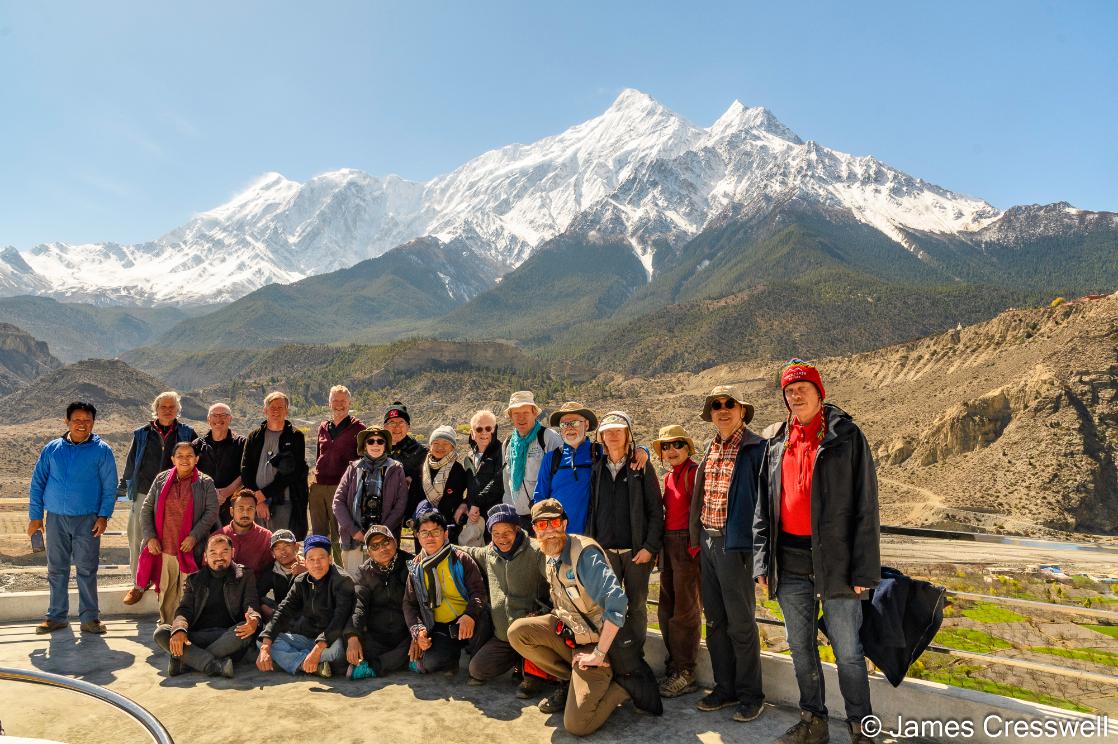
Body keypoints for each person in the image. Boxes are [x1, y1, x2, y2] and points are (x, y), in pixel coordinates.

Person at [755, 360, 881, 744]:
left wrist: (864, 570)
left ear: (819, 392)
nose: (795, 396)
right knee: (801, 648)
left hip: (838, 563)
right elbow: (764, 505)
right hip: (789, 561)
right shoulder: (776, 439)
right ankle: (814, 721)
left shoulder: (846, 436)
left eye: (802, 389)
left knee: (848, 651)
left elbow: (866, 506)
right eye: (789, 391)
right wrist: (763, 561)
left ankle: (861, 726)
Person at [506, 499, 631, 737]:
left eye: (554, 522)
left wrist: (599, 653)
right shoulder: (548, 553)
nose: (549, 530)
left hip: (599, 643)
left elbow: (617, 603)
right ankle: (570, 680)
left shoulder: (584, 555)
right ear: (535, 530)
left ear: (564, 524)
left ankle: (620, 689)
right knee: (518, 632)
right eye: (542, 525)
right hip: (573, 635)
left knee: (577, 725)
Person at [689, 385, 766, 722]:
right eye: (716, 405)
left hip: (736, 547)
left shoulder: (756, 449)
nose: (722, 409)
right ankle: (725, 687)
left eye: (729, 404)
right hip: (708, 542)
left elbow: (766, 503)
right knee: (716, 621)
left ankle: (751, 695)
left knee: (741, 623)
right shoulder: (711, 447)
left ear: (741, 411)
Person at [27, 401, 118, 635]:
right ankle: (56, 616)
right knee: (56, 569)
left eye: (87, 420)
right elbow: (38, 482)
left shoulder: (102, 450)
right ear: (66, 421)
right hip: (55, 518)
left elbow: (110, 487)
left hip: (87, 520)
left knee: (87, 569)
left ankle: (90, 619)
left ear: (93, 423)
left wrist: (104, 516)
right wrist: (35, 517)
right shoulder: (52, 449)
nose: (82, 424)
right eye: (77, 420)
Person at [586, 411, 662, 650]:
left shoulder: (641, 467)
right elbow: (592, 511)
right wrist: (592, 547)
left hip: (636, 552)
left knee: (637, 605)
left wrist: (650, 547)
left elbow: (656, 511)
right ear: (602, 437)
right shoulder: (597, 469)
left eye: (619, 431)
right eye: (608, 432)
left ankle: (635, 656)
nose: (613, 436)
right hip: (606, 552)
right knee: (605, 604)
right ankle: (610, 654)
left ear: (628, 435)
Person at [460, 504, 549, 695]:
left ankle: (532, 673)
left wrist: (544, 611)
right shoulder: (489, 553)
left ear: (517, 530)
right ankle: (517, 660)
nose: (502, 539)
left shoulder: (536, 551)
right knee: (477, 669)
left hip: (530, 634)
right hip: (503, 637)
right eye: (496, 533)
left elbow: (554, 583)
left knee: (532, 677)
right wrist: (437, 547)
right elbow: (466, 551)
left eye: (507, 532)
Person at [128, 442, 219, 624]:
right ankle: (167, 629)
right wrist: (150, 537)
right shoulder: (161, 479)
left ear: (196, 459)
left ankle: (185, 628)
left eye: (189, 456)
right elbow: (146, 509)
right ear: (172, 459)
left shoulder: (205, 483)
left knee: (188, 592)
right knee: (166, 591)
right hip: (164, 547)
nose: (184, 460)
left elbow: (211, 512)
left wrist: (194, 536)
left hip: (190, 548)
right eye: (180, 456)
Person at [153, 533, 261, 678]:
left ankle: (187, 661)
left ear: (233, 553)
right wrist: (179, 629)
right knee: (162, 633)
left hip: (228, 636)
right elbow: (184, 610)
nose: (219, 557)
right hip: (197, 637)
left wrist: (253, 619)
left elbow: (251, 603)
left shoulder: (244, 576)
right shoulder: (195, 580)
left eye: (224, 552)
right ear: (205, 556)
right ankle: (213, 665)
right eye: (213, 552)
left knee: (244, 629)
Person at [119, 391, 197, 590]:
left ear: (178, 410)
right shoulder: (142, 434)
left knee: (173, 539)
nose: (167, 410)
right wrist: (125, 488)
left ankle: (171, 584)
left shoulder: (188, 433)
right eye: (163, 407)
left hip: (177, 494)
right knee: (138, 537)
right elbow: (131, 464)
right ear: (156, 409)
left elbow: (196, 462)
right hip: (145, 492)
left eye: (172, 407)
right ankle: (138, 585)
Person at [402, 504, 490, 674]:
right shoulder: (415, 567)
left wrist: (470, 615)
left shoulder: (460, 558)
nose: (430, 537)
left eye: (435, 532)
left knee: (483, 619)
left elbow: (478, 592)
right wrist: (418, 631)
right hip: (441, 626)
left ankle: (475, 654)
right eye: (424, 533)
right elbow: (409, 604)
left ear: (445, 533)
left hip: (468, 619)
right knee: (431, 663)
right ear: (417, 536)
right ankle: (453, 657)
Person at [650, 424, 702, 698]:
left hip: (686, 547)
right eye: (666, 446)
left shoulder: (694, 473)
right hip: (669, 544)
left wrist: (694, 549)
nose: (671, 450)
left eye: (677, 444)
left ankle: (685, 671)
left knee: (686, 610)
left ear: (688, 448)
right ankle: (674, 667)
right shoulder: (670, 477)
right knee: (666, 608)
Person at [256, 534, 354, 677]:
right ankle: (307, 664)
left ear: (330, 559)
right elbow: (283, 611)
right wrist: (265, 646)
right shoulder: (301, 581)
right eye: (311, 559)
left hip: (332, 640)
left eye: (321, 558)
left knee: (336, 651)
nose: (316, 564)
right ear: (305, 562)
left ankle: (301, 661)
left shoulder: (342, 581)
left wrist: (317, 650)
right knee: (263, 640)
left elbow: (339, 620)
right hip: (308, 639)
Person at [333, 426, 407, 575]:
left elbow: (400, 504)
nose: (375, 445)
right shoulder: (353, 469)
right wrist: (354, 531)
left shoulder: (396, 469)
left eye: (380, 441)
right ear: (364, 445)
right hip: (354, 540)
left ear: (385, 445)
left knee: (381, 585)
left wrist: (381, 533)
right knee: (354, 584)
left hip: (384, 542)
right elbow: (338, 502)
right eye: (371, 441)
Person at [344, 525, 412, 680]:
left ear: (395, 542)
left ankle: (376, 666)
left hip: (406, 633)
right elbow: (358, 605)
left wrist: (417, 633)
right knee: (349, 645)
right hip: (378, 636)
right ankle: (404, 661)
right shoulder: (363, 572)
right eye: (375, 546)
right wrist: (353, 637)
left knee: (424, 643)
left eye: (386, 542)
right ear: (369, 552)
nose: (382, 548)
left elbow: (421, 603)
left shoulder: (411, 564)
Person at [241, 391, 309, 537]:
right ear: (265, 410)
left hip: (284, 502)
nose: (276, 410)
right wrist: (257, 500)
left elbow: (292, 473)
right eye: (272, 407)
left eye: (280, 407)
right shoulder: (254, 436)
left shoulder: (296, 436)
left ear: (287, 411)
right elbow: (246, 469)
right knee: (259, 546)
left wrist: (264, 494)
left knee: (282, 544)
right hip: (256, 503)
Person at [310, 385, 365, 558]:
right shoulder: (323, 427)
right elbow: (320, 455)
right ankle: (319, 567)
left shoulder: (358, 428)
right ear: (329, 403)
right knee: (318, 533)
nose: (339, 404)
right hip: (319, 487)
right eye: (335, 400)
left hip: (341, 487)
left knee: (338, 533)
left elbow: (361, 461)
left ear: (349, 402)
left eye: (343, 401)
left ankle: (339, 572)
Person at [501, 391, 561, 530]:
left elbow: (560, 479)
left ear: (534, 413)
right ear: (510, 416)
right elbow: (506, 480)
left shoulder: (548, 438)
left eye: (525, 413)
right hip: (517, 517)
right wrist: (508, 511)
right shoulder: (508, 443)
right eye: (516, 413)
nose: (521, 418)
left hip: (544, 517)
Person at [192, 402, 245, 529]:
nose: (219, 419)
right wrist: (210, 494)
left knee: (230, 542)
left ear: (230, 419)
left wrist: (226, 492)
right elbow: (190, 471)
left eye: (223, 415)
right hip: (203, 504)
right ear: (208, 419)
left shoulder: (242, 443)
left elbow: (247, 471)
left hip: (232, 503)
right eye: (214, 415)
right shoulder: (198, 445)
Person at [421, 426, 469, 543]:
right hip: (424, 526)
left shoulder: (457, 469)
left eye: (445, 444)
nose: (440, 447)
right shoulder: (423, 467)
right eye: (436, 443)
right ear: (430, 446)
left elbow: (453, 498)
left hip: (449, 526)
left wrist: (436, 521)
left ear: (452, 447)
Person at [383, 401, 428, 527]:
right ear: (385, 427)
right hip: (386, 510)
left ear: (408, 426)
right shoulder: (378, 449)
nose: (396, 427)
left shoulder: (421, 452)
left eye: (401, 422)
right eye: (391, 423)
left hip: (414, 509)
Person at [463, 409, 504, 542]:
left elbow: (498, 482)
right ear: (472, 433)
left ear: (494, 430)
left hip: (495, 516)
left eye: (488, 428)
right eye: (479, 429)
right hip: (475, 517)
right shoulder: (469, 457)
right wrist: (465, 505)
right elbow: (470, 488)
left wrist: (476, 503)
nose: (484, 433)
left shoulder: (502, 452)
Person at [219, 489, 274, 582]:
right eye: (240, 509)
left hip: (257, 590)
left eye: (250, 509)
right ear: (232, 511)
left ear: (255, 510)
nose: (245, 513)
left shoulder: (266, 537)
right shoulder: (218, 537)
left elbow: (271, 570)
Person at [259, 529, 305, 620]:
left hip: (309, 615)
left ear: (296, 547)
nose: (283, 551)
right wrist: (266, 609)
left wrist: (309, 572)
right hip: (285, 616)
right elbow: (258, 593)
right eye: (277, 548)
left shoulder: (310, 563)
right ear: (273, 553)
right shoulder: (272, 570)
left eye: (287, 546)